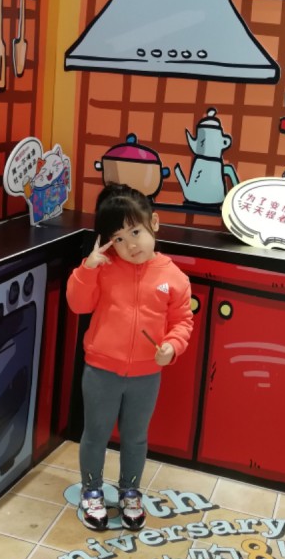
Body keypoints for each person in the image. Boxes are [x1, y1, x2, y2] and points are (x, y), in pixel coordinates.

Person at [66, 183, 193, 531]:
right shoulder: (103, 268)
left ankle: (130, 492)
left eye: (135, 232)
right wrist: (88, 268)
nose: (130, 245)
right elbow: (78, 304)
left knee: (136, 438)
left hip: (146, 375)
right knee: (95, 434)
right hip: (101, 370)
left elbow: (183, 322)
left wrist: (173, 346)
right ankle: (92, 491)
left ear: (154, 222)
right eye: (118, 238)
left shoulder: (174, 277)